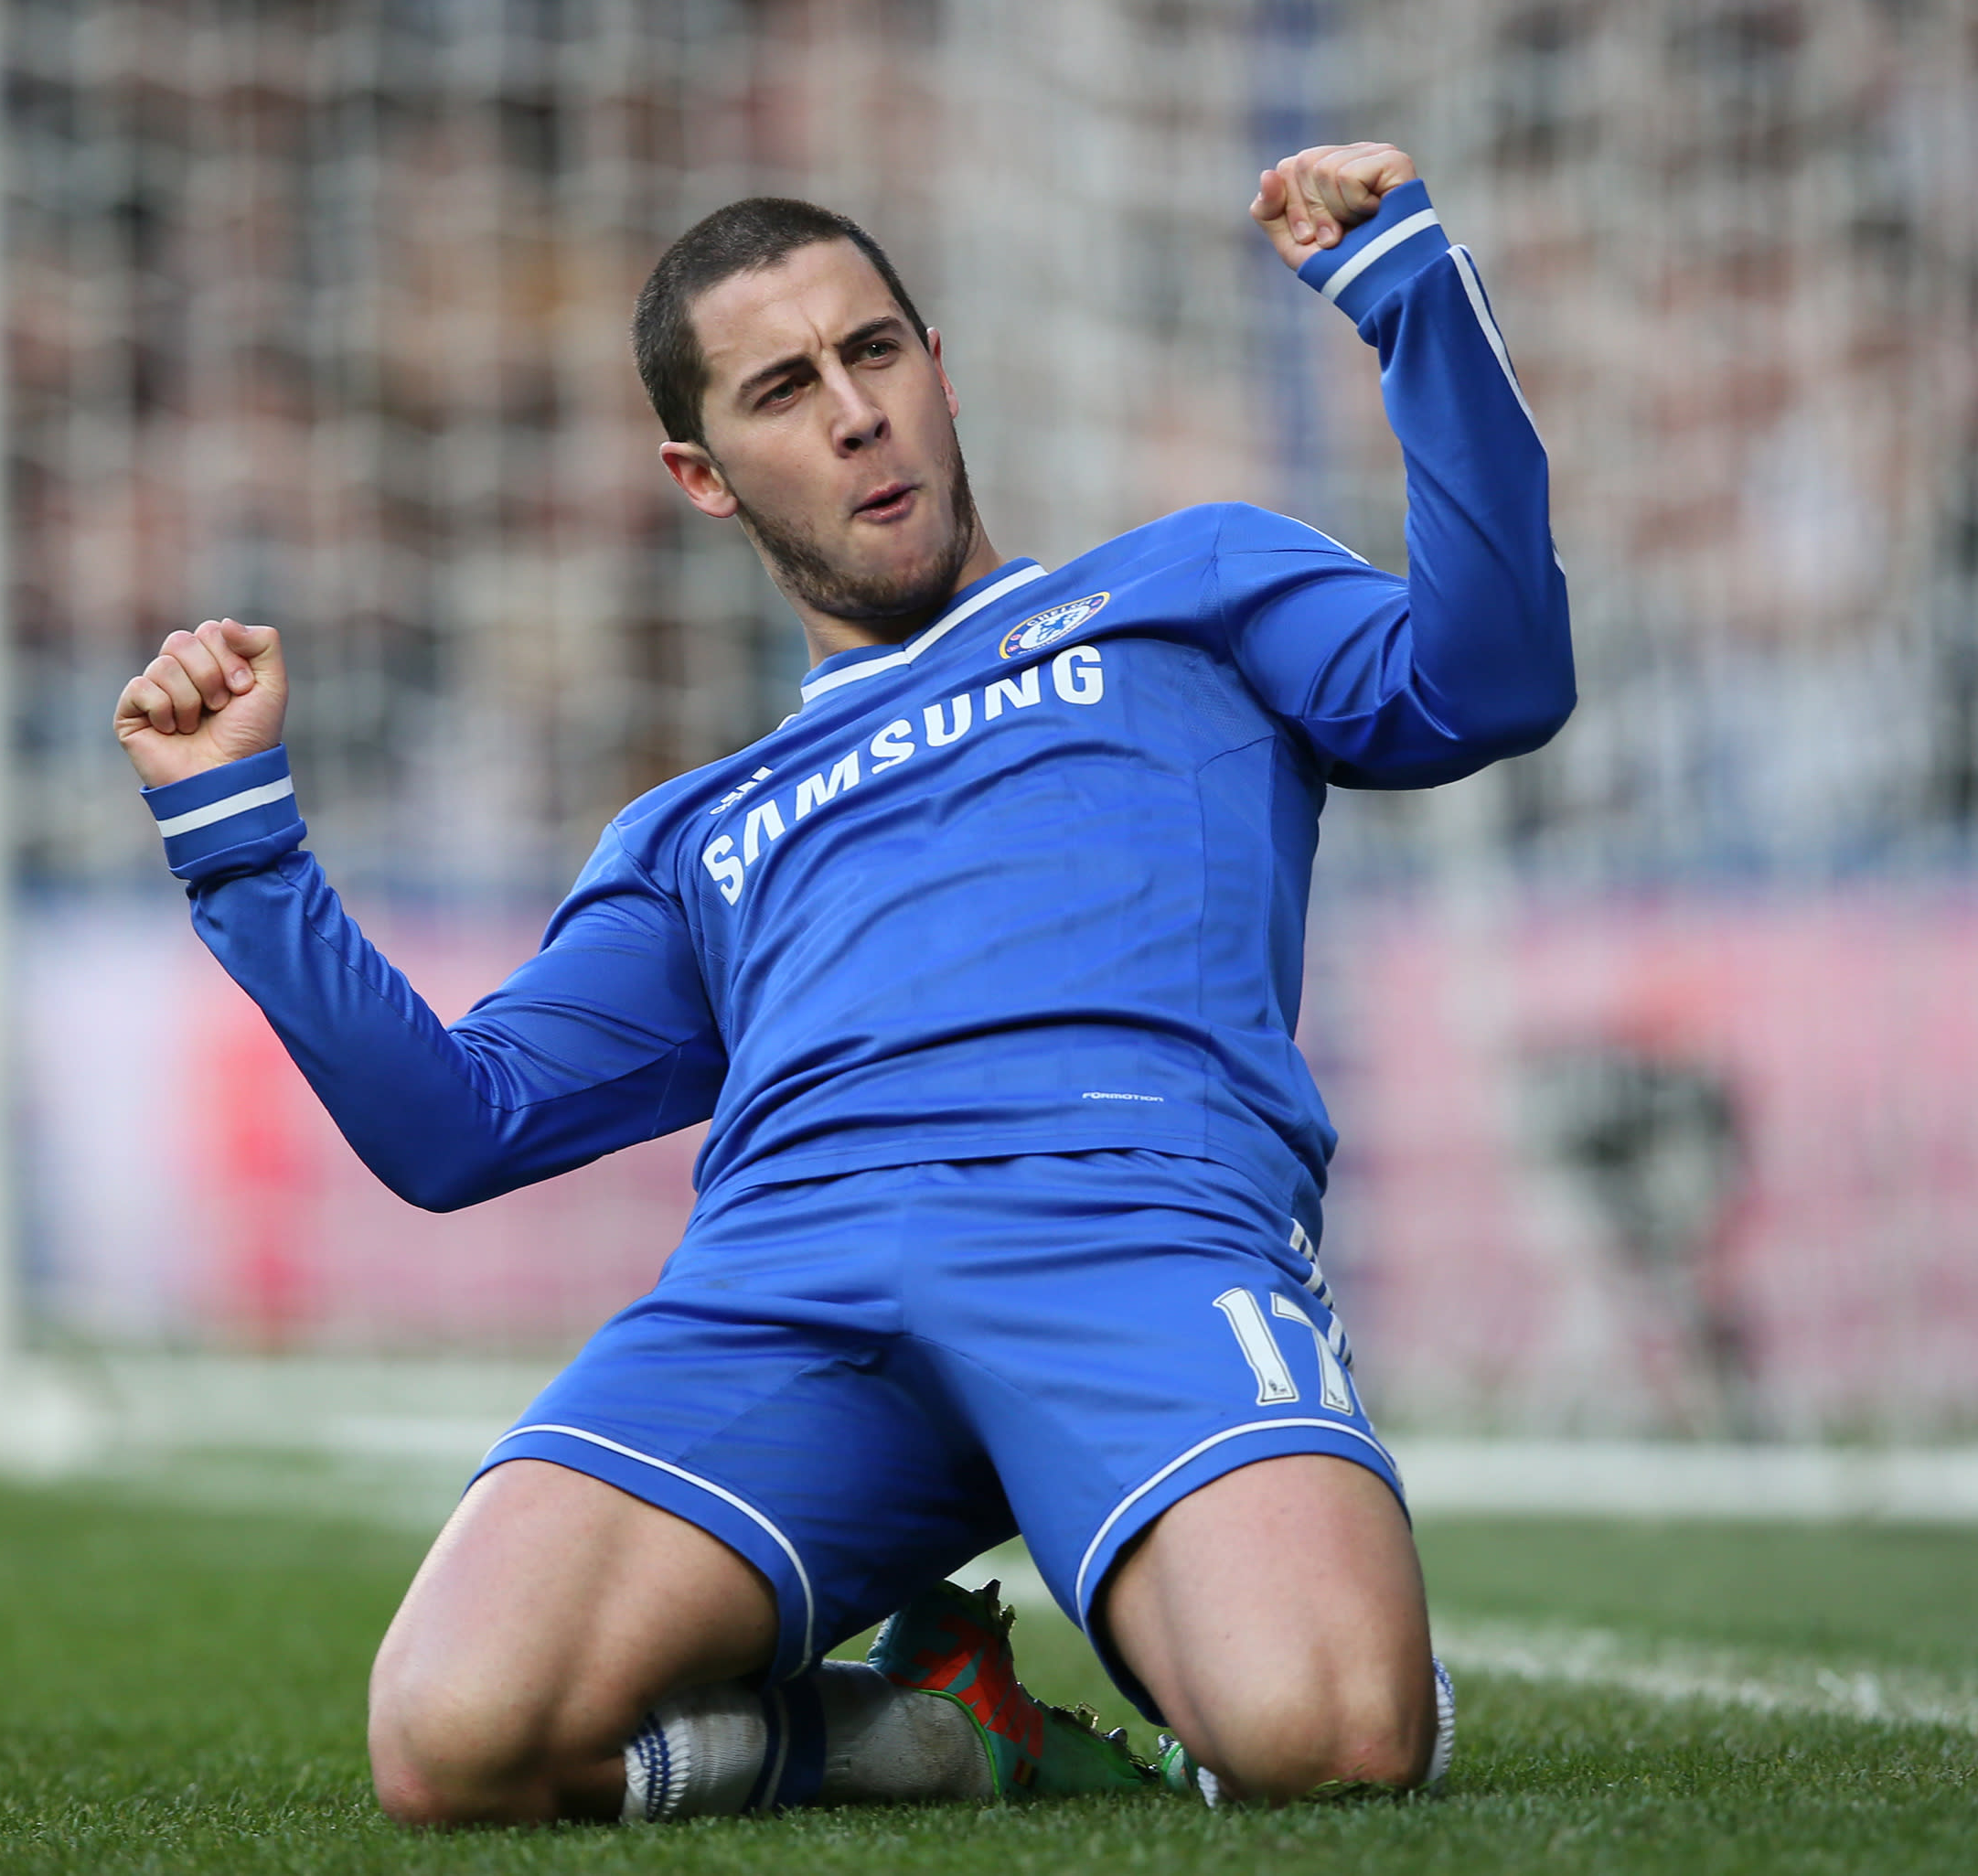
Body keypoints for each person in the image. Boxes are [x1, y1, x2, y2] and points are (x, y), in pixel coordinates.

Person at [114, 142, 1573, 1824]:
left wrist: (1412, 305)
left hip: (1127, 1224)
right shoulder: (690, 828)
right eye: (783, 388)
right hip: (783, 1289)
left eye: (875, 353)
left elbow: (1492, 682)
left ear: (938, 369)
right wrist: (237, 837)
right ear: (702, 473)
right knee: (453, 1739)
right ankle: (927, 1737)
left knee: (1324, 1733)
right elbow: (459, 1130)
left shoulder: (1198, 583)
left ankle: (1247, 1583)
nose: (854, 412)